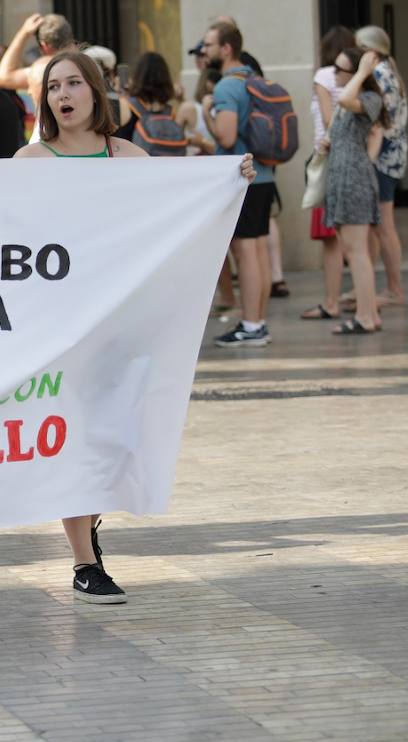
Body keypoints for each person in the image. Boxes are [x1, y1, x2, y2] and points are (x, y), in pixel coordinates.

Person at [16, 50, 256, 602]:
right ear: (45, 100)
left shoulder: (125, 154)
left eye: (74, 83)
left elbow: (173, 210)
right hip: (61, 325)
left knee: (113, 438)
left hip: (122, 322)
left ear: (95, 92)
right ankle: (83, 561)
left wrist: (226, 178)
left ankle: (89, 525)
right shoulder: (29, 160)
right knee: (73, 439)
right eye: (54, 87)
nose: (64, 94)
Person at [203, 21, 275, 347]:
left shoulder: (226, 88)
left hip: (242, 177)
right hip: (265, 174)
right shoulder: (255, 78)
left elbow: (227, 136)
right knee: (258, 248)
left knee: (245, 251)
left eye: (209, 45)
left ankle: (250, 324)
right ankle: (258, 320)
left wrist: (207, 113)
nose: (204, 51)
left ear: (226, 48)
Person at [325, 47, 387, 335]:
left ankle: (364, 316)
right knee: (351, 249)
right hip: (342, 178)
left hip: (354, 180)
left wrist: (363, 71)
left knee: (357, 251)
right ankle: (370, 314)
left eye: (339, 69)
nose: (334, 73)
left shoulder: (369, 98)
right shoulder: (350, 101)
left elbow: (348, 99)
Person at [301, 26, 356, 322]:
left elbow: (326, 118)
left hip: (328, 158)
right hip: (355, 160)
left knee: (331, 239)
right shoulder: (360, 80)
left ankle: (332, 301)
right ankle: (361, 298)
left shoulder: (324, 76)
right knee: (359, 236)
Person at [355, 25, 408, 307]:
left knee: (384, 225)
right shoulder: (390, 72)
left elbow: (376, 121)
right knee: (379, 225)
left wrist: (368, 160)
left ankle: (393, 289)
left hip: (382, 157)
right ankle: (375, 287)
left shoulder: (379, 75)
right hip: (392, 155)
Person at [0, 13, 73, 143]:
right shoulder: (86, 65)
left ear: (44, 45)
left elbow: (3, 77)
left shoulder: (43, 68)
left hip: (49, 136)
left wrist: (24, 33)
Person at [118, 52, 199, 155]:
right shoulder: (170, 112)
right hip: (169, 169)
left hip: (137, 167)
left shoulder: (127, 107)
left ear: (138, 76)